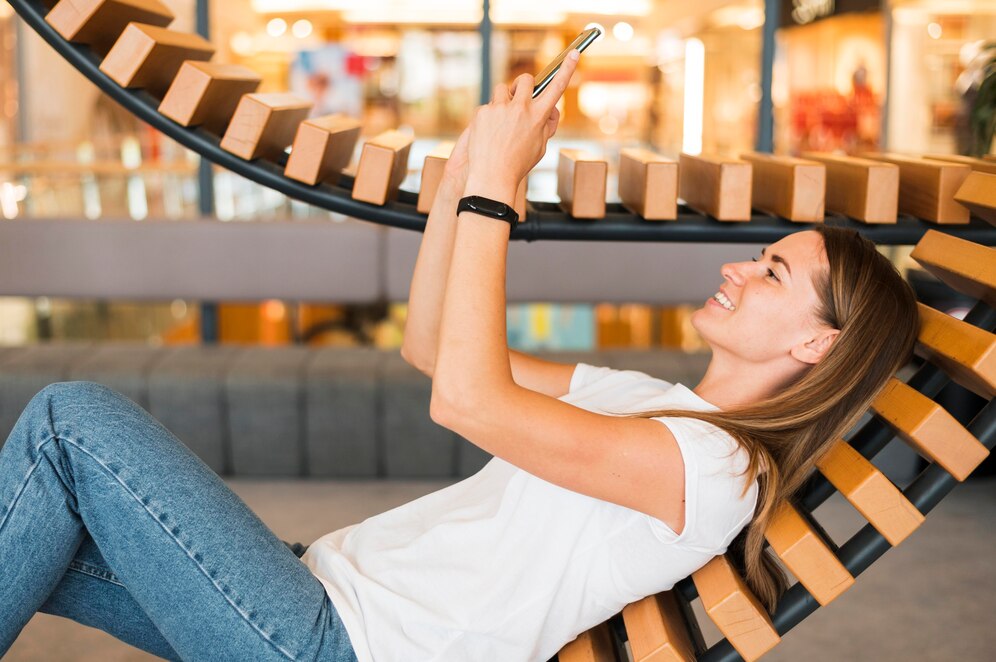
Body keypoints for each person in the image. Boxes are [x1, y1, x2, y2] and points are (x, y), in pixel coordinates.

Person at [0, 50, 918, 662]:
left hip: (341, 641)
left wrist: (495, 196)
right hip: (315, 582)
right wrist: (468, 179)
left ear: (815, 343)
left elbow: (469, 405)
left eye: (771, 272)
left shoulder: (719, 469)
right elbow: (436, 352)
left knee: (65, 426)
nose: (738, 268)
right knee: (40, 522)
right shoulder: (652, 399)